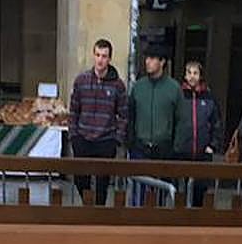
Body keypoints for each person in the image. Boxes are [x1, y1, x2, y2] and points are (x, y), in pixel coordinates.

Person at [68, 38, 127, 206]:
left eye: (104, 56)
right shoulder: (81, 81)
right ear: (93, 56)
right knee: (80, 179)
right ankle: (87, 207)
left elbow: (123, 114)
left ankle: (99, 213)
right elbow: (73, 110)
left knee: (102, 184)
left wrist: (117, 140)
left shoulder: (118, 85)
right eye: (98, 55)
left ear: (109, 59)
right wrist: (74, 136)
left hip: (105, 140)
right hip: (83, 138)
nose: (100, 59)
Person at [127, 42, 181, 205]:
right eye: (146, 58)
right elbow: (131, 116)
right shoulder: (138, 87)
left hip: (164, 148)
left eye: (152, 58)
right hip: (140, 147)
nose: (147, 62)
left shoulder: (174, 88)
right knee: (138, 192)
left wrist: (175, 147)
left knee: (160, 194)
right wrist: (131, 142)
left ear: (162, 62)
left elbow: (180, 120)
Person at [174, 60, 223, 207]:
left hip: (202, 153)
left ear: (200, 75)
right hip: (182, 151)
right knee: (180, 193)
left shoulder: (209, 98)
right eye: (189, 73)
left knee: (199, 192)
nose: (192, 76)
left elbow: (217, 124)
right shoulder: (178, 96)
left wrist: (213, 145)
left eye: (195, 73)